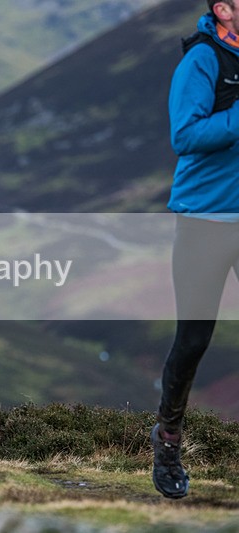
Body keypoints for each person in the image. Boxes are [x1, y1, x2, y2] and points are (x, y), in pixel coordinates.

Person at [152, 0, 239, 499]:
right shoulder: (202, 60)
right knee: (193, 342)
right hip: (205, 221)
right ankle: (168, 439)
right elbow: (184, 134)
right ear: (223, 9)